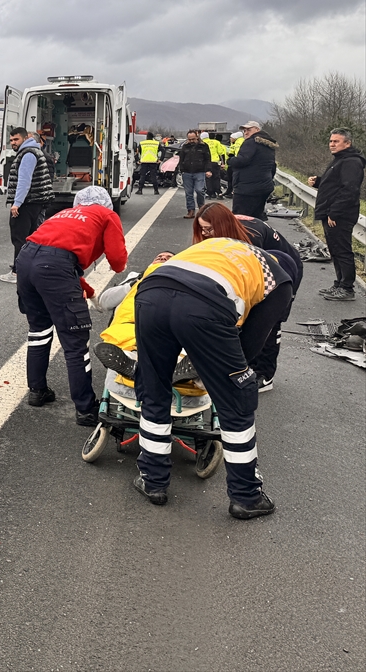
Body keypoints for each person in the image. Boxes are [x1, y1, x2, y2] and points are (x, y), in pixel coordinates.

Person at [132, 236, 293, 519]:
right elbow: (247, 350)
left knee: (154, 387)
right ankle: (246, 496)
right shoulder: (280, 282)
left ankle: (152, 480)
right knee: (237, 399)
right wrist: (215, 372)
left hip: (151, 292)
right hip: (204, 305)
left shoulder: (226, 248)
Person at [15, 185, 128, 425]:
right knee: (75, 342)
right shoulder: (108, 215)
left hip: (26, 259)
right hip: (55, 267)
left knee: (39, 330)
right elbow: (117, 260)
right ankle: (86, 409)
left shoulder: (64, 214)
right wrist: (120, 270)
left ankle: (37, 391)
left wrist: (88, 291)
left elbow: (55, 260)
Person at [194, 204, 302, 392]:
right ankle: (240, 363)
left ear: (222, 225)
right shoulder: (219, 232)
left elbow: (250, 281)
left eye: (209, 229)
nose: (205, 233)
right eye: (201, 229)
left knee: (267, 321)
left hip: (283, 270)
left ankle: (264, 374)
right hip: (261, 265)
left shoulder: (250, 239)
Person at [309, 128, 365, 302]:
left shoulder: (351, 162)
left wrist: (334, 212)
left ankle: (347, 288)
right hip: (331, 212)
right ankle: (340, 284)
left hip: (340, 214)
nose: (332, 144)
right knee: (335, 250)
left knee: (342, 250)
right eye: (331, 141)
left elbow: (349, 190)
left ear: (347, 143)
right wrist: (319, 182)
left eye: (336, 141)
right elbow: (335, 186)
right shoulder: (340, 160)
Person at [1, 127, 53, 284]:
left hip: (27, 203)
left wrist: (17, 203)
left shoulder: (28, 154)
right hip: (35, 202)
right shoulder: (35, 151)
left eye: (16, 139)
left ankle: (18, 273)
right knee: (32, 237)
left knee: (19, 239)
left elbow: (24, 181)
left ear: (25, 138)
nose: (13, 143)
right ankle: (31, 269)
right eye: (11, 140)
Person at [227, 121, 278, 220]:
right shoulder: (269, 145)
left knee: (240, 219)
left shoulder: (251, 142)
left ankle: (242, 236)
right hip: (264, 186)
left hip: (247, 188)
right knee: (256, 218)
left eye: (249, 130)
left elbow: (242, 160)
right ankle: (258, 234)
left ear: (257, 130)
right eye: (244, 130)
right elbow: (273, 166)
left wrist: (231, 160)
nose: (245, 132)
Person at [176, 130, 210, 218]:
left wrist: (208, 170)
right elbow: (181, 158)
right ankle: (190, 211)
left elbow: (207, 159)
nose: (191, 141)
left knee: (199, 190)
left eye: (193, 139)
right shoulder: (185, 146)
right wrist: (181, 169)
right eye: (189, 139)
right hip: (187, 172)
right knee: (188, 193)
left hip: (199, 171)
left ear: (197, 137)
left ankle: (201, 209)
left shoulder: (203, 146)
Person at [202, 131, 227, 199]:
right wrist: (223, 163)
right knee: (216, 178)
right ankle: (218, 192)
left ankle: (210, 193)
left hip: (206, 163)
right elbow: (221, 153)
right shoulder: (216, 142)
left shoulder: (202, 143)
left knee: (208, 178)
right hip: (215, 162)